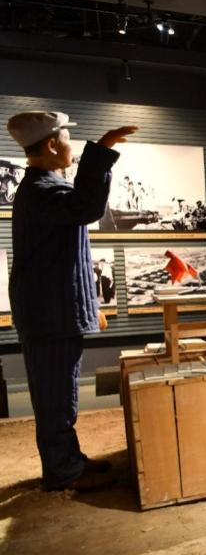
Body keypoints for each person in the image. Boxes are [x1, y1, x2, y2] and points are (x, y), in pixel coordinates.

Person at [7, 111, 138, 491]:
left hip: (54, 311)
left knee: (60, 391)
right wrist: (102, 150)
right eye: (67, 138)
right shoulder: (41, 190)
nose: (70, 145)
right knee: (55, 395)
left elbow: (68, 254)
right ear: (51, 145)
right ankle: (63, 470)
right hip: (49, 315)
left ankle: (68, 460)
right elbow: (86, 206)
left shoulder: (44, 188)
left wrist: (89, 306)